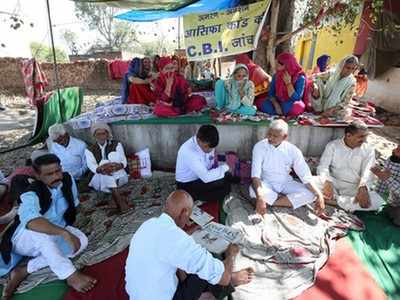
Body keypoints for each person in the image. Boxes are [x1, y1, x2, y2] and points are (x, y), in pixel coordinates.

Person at [125, 190, 254, 300]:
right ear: (185, 212)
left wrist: (193, 230)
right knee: (209, 265)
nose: (188, 222)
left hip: (137, 295)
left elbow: (170, 242)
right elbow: (223, 277)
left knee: (194, 265)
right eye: (190, 216)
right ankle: (230, 282)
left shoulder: (149, 224)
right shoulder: (177, 240)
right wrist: (231, 254)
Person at [0, 154, 96, 299]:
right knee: (44, 238)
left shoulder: (67, 179)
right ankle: (70, 275)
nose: (56, 176)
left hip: (55, 230)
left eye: (58, 171)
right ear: (38, 176)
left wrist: (69, 229)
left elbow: (73, 204)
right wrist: (64, 233)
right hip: (24, 236)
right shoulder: (30, 192)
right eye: (49, 174)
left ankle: (24, 270)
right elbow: (32, 223)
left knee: (81, 241)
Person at [250, 119, 325, 215]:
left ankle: (274, 202)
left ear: (284, 137)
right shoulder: (259, 146)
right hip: (266, 183)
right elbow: (255, 175)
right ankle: (281, 200)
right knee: (253, 191)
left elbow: (304, 174)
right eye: (269, 134)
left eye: (275, 136)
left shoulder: (293, 150)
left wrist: (319, 195)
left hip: (285, 183)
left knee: (311, 194)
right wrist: (260, 197)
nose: (270, 138)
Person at [315, 120, 384, 212]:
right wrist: (327, 181)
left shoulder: (368, 149)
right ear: (348, 136)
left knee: (377, 200)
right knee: (310, 181)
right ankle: (345, 203)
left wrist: (363, 187)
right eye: (361, 136)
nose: (364, 140)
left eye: (366, 136)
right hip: (334, 184)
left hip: (354, 188)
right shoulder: (333, 145)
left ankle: (334, 201)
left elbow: (368, 171)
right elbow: (323, 166)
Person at [176, 125, 232, 203]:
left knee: (225, 177)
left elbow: (210, 162)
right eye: (206, 147)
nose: (210, 150)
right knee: (224, 186)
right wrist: (225, 167)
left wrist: (221, 170)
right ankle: (194, 198)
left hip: (200, 177)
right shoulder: (189, 151)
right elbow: (206, 177)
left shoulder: (208, 143)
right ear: (198, 140)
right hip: (186, 186)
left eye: (212, 148)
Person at [84, 123, 130, 213]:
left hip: (119, 177)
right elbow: (92, 166)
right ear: (94, 135)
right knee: (104, 165)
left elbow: (123, 161)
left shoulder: (116, 144)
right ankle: (118, 199)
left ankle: (113, 198)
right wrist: (103, 169)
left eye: (103, 133)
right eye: (98, 134)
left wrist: (115, 166)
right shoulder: (89, 149)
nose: (101, 136)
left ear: (107, 134)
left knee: (111, 159)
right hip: (99, 180)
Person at [260, 52, 309, 117]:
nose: (276, 67)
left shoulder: (300, 78)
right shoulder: (277, 76)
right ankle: (280, 112)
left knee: (297, 107)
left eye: (278, 65)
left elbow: (296, 98)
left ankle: (279, 113)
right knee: (263, 104)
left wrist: (288, 83)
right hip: (278, 101)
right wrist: (276, 105)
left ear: (287, 65)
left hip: (291, 103)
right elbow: (271, 93)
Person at [372, 144, 400, 226]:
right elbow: (382, 183)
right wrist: (373, 200)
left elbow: (385, 177)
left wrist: (387, 177)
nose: (396, 150)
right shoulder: (392, 159)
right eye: (398, 147)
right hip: (393, 203)